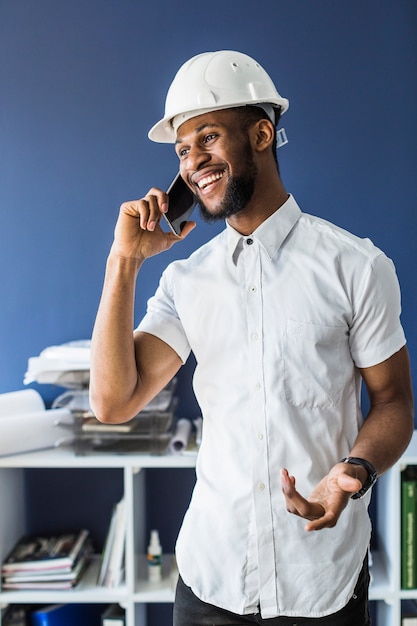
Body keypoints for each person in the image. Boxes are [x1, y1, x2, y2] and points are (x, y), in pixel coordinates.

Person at [89, 51, 414, 625]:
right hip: (213, 577)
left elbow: (393, 402)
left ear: (262, 133)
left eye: (208, 138)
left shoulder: (356, 266)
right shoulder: (187, 281)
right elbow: (114, 403)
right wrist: (124, 263)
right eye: (183, 150)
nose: (194, 163)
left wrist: (355, 472)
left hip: (321, 577)